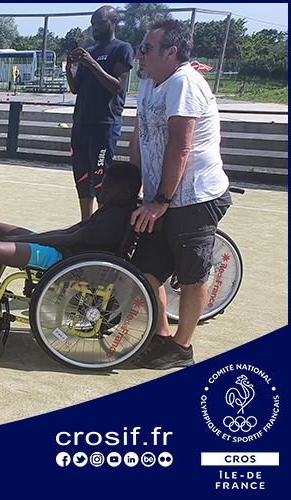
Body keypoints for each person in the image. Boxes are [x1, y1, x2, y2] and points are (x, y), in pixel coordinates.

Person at [129, 20, 231, 370]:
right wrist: (134, 186)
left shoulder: (184, 82)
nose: (139, 55)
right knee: (147, 269)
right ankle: (161, 335)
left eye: (146, 49)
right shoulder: (147, 82)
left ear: (171, 52)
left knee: (191, 275)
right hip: (160, 197)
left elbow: (180, 145)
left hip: (195, 199)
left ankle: (182, 347)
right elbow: (139, 135)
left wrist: (160, 201)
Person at [0, 162, 142, 338]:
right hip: (64, 250)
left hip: (66, 261)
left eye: (106, 190)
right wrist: (27, 238)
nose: (101, 192)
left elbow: (69, 238)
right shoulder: (111, 209)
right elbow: (69, 231)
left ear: (125, 194)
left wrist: (21, 240)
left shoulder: (114, 220)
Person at [66, 6, 135, 222]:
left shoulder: (122, 49)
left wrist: (92, 63)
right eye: (93, 24)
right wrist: (69, 68)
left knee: (101, 179)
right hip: (81, 122)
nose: (95, 28)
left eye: (99, 23)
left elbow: (116, 87)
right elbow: (76, 88)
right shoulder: (90, 51)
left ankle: (101, 225)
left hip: (104, 124)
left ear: (113, 22)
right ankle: (85, 223)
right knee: (82, 178)